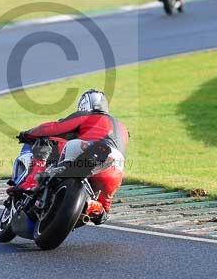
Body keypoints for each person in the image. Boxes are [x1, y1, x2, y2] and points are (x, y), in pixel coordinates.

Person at [11, 89, 129, 225]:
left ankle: (31, 182)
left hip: (86, 149)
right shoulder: (123, 127)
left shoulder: (86, 115)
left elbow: (54, 128)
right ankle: (92, 206)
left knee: (46, 141)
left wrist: (27, 134)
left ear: (84, 105)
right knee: (103, 212)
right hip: (115, 167)